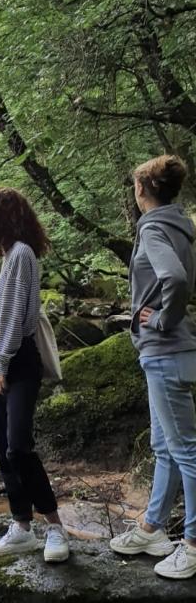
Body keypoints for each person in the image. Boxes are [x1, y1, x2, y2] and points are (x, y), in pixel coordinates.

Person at [110, 155, 196, 579]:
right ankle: (151, 529)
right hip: (167, 353)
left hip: (165, 351)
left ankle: (193, 546)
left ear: (142, 190)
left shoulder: (154, 227)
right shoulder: (178, 224)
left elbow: (175, 279)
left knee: (187, 451)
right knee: (165, 448)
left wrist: (161, 318)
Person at [0, 187, 69, 562]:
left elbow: (15, 316)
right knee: (3, 446)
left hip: (15, 357)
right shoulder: (14, 254)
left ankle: (56, 528)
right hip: (2, 351)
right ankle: (21, 525)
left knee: (17, 445)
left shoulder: (22, 255)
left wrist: (2, 362)